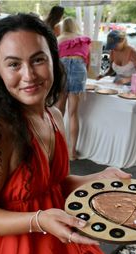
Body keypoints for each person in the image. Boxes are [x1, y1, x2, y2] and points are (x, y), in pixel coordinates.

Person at [0, 13, 131, 254]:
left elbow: (53, 187)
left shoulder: (53, 115)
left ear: (54, 59)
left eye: (38, 60)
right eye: (13, 64)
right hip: (17, 249)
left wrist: (99, 178)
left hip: (58, 239)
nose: (29, 75)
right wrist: (39, 220)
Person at [56, 17, 91, 161]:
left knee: (59, 111)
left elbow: (53, 60)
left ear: (63, 26)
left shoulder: (58, 39)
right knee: (73, 113)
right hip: (79, 69)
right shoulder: (83, 40)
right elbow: (87, 62)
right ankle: (72, 152)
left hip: (62, 69)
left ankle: (57, 148)